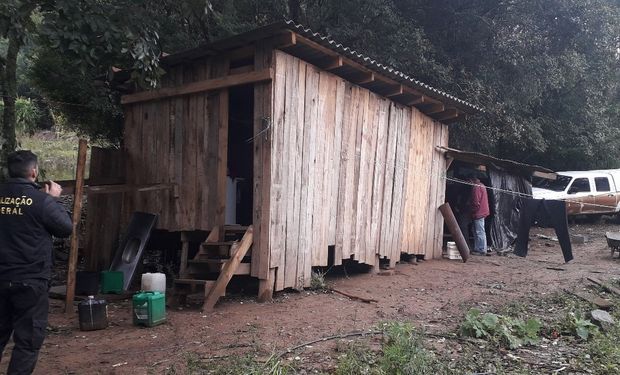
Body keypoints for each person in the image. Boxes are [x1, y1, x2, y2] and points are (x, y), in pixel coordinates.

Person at [0, 150, 73, 374]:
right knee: (27, 342)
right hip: (31, 281)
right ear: (34, 172)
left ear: (8, 172)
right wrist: (54, 200)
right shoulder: (42, 201)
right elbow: (65, 229)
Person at [468, 174, 490, 255]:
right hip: (483, 211)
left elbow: (475, 202)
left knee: (479, 231)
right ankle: (478, 248)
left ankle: (481, 249)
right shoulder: (482, 185)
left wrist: (472, 211)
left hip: (478, 212)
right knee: (477, 231)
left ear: (471, 180)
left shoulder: (476, 187)